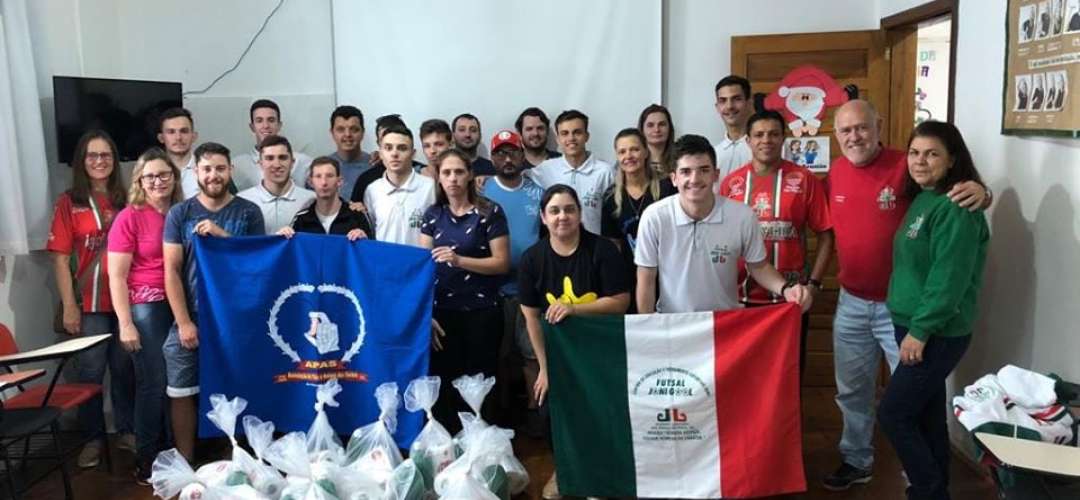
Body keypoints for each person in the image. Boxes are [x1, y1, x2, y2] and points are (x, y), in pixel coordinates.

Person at [822, 99, 988, 491]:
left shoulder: (905, 167)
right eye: (845, 130)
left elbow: (955, 198)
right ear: (836, 136)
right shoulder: (836, 171)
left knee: (906, 406)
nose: (854, 136)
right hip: (853, 301)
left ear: (878, 125)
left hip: (906, 315)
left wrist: (983, 191)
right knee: (855, 390)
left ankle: (920, 480)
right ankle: (858, 460)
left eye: (862, 127)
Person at [879, 121, 989, 500]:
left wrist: (921, 331)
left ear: (952, 159)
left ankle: (926, 491)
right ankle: (936, 490)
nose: (920, 161)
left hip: (935, 332)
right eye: (915, 152)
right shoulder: (925, 198)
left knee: (893, 414)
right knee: (926, 416)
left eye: (932, 153)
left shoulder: (957, 207)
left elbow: (949, 280)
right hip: (911, 324)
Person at [517, 184, 631, 499]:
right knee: (547, 408)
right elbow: (531, 318)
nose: (562, 216)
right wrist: (544, 368)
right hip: (559, 355)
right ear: (543, 217)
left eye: (569, 209)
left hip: (602, 351)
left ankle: (604, 474)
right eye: (554, 211)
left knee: (603, 410)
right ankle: (565, 471)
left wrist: (574, 309)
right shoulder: (532, 259)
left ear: (580, 213)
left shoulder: (603, 250)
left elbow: (620, 301)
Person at [163, 142, 265, 462]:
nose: (214, 175)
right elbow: (171, 270)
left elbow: (258, 264)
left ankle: (237, 458)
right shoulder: (180, 213)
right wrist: (183, 322)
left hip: (235, 319)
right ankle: (185, 460)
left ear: (230, 170)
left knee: (239, 385)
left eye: (220, 168)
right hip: (192, 315)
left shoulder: (248, 212)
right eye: (207, 169)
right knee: (181, 389)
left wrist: (223, 237)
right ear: (195, 173)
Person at [635, 134, 812, 315]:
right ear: (674, 178)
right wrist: (646, 328)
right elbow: (646, 277)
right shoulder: (654, 216)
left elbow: (758, 266)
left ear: (716, 175)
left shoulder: (742, 216)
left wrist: (786, 289)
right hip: (672, 324)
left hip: (724, 326)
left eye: (704, 170)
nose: (695, 179)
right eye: (686, 172)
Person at [718, 110, 833, 377]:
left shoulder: (804, 180)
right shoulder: (731, 183)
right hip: (741, 299)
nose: (766, 140)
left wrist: (813, 285)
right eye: (759, 135)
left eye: (773, 134)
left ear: (784, 138)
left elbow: (826, 235)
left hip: (790, 299)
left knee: (788, 378)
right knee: (744, 377)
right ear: (748, 140)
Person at [47, 129, 135, 468]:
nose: (100, 161)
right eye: (92, 156)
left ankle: (126, 430)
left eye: (106, 155)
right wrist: (70, 305)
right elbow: (58, 257)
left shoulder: (127, 198)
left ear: (114, 161)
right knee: (90, 372)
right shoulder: (69, 202)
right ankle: (93, 438)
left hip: (127, 301)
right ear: (82, 162)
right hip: (90, 303)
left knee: (125, 369)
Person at [106, 147, 183, 483]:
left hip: (178, 304)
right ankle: (147, 459)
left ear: (174, 178)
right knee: (153, 383)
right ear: (140, 180)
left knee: (175, 384)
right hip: (146, 306)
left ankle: (173, 450)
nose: (158, 181)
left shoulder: (181, 213)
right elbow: (117, 275)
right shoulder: (130, 216)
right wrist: (125, 324)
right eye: (150, 176)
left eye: (164, 174)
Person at [419, 148, 510, 432]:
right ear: (439, 177)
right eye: (446, 172)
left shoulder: (489, 211)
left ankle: (482, 447)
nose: (453, 178)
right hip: (442, 314)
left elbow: (501, 263)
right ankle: (449, 450)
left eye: (459, 171)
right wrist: (425, 314)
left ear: (469, 174)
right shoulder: (432, 215)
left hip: (482, 312)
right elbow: (423, 268)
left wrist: (459, 260)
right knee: (445, 381)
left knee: (480, 381)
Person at [480, 130, 546, 436]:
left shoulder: (537, 191)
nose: (507, 159)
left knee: (532, 353)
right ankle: (503, 414)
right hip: (492, 287)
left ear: (523, 155)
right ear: (492, 158)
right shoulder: (482, 190)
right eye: (501, 154)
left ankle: (535, 413)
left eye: (513, 153)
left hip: (530, 289)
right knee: (500, 355)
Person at [601, 128, 675, 313]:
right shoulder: (611, 197)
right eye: (622, 152)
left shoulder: (667, 189)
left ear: (645, 152)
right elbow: (613, 245)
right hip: (630, 278)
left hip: (668, 276)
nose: (629, 156)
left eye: (634, 149)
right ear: (617, 156)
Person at [526, 110, 616, 235]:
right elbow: (518, 179)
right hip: (558, 248)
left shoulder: (605, 172)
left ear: (587, 136)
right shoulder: (545, 169)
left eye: (577, 132)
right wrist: (489, 179)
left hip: (594, 248)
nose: (571, 138)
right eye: (564, 133)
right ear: (557, 139)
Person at [363, 125, 435, 245]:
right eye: (388, 148)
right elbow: (371, 232)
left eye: (402, 148)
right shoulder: (372, 190)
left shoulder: (430, 187)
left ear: (413, 154)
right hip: (385, 262)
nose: (394, 154)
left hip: (420, 262)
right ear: (380, 153)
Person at [238, 135, 315, 233]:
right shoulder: (243, 201)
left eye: (282, 158)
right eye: (270, 158)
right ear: (260, 164)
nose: (277, 165)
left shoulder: (311, 200)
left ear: (292, 163)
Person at [281, 156, 372, 239]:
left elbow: (373, 251)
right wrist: (282, 238)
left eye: (329, 176)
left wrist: (365, 240)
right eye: (318, 176)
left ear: (339, 181)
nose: (324, 182)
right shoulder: (301, 219)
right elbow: (291, 253)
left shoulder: (357, 216)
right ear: (310, 182)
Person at [232, 99, 313, 191]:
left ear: (279, 125)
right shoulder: (237, 165)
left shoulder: (304, 162)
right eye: (259, 121)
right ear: (252, 127)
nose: (266, 125)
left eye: (271, 120)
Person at [713, 75, 754, 179]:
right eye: (723, 100)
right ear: (717, 107)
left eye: (736, 99)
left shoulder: (768, 148)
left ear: (749, 103)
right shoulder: (714, 154)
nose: (729, 106)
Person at [327, 105, 371, 198]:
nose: (347, 134)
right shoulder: (323, 167)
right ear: (332, 133)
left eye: (354, 129)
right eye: (340, 129)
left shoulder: (374, 165)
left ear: (363, 132)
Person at [157, 107, 200, 198]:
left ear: (194, 136)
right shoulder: (152, 172)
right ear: (161, 138)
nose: (178, 137)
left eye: (184, 131)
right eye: (171, 132)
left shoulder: (209, 169)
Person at [638, 104, 675, 176]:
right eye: (650, 125)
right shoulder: (632, 160)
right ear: (642, 129)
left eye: (662, 124)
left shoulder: (680, 159)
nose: (656, 130)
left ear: (670, 128)